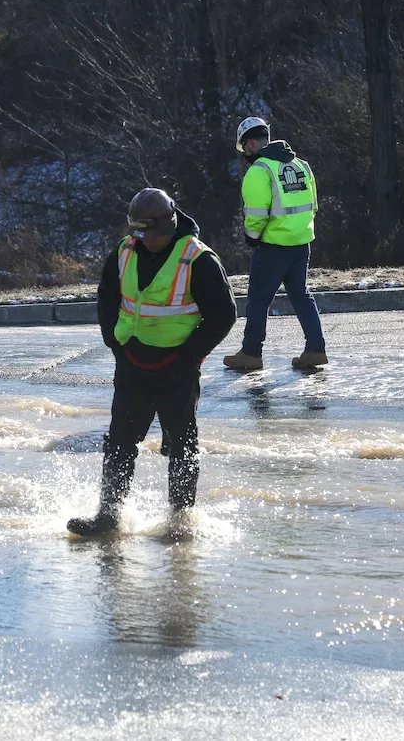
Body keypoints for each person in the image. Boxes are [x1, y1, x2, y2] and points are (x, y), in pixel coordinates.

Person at [68, 188, 236, 536]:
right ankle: (108, 516)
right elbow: (107, 298)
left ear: (170, 225)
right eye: (140, 234)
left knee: (182, 444)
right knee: (119, 440)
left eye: (153, 235)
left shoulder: (198, 259)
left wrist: (189, 356)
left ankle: (180, 520)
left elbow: (224, 314)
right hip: (132, 361)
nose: (146, 241)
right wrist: (113, 342)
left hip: (178, 367)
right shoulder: (124, 250)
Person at [223, 116, 328, 371]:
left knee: (259, 298)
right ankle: (315, 349)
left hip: (273, 246)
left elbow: (257, 213)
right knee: (301, 295)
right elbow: (312, 205)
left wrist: (252, 237)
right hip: (301, 243)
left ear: (249, 145)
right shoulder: (301, 165)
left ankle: (251, 353)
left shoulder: (259, 171)